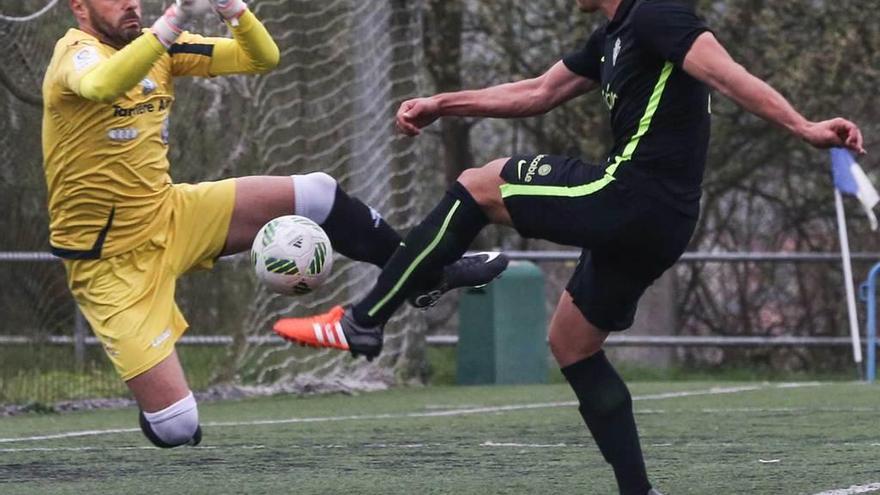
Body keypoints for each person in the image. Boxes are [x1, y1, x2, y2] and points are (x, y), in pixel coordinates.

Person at [272, 0, 865, 492]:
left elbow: (726, 73)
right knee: (572, 343)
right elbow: (536, 90)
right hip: (663, 222)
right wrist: (441, 104)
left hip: (632, 195)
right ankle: (639, 492)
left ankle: (365, 319)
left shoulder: (657, 15)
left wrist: (805, 127)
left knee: (481, 185)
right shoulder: (609, 35)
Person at [44, 0, 505, 449]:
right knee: (177, 427)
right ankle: (161, 413)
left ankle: (428, 276)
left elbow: (261, 57)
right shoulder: (76, 55)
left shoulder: (160, 47)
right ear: (79, 8)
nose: (130, 4)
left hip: (171, 214)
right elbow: (103, 85)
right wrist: (172, 20)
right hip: (109, 265)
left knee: (318, 191)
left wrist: (233, 10)